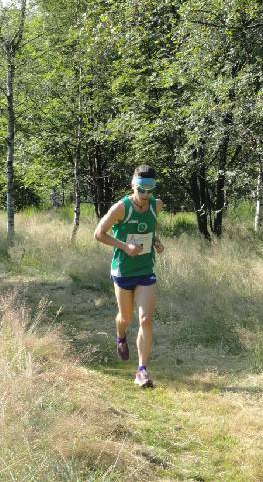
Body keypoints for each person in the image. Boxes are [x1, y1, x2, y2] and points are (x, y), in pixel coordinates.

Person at [94, 165, 165, 388]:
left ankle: (142, 371)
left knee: (146, 319)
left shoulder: (156, 205)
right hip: (123, 271)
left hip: (145, 270)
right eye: (141, 189)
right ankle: (120, 335)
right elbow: (99, 234)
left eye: (150, 190)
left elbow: (151, 229)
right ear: (133, 185)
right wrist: (124, 246)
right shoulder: (121, 207)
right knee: (125, 318)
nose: (145, 195)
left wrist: (155, 242)